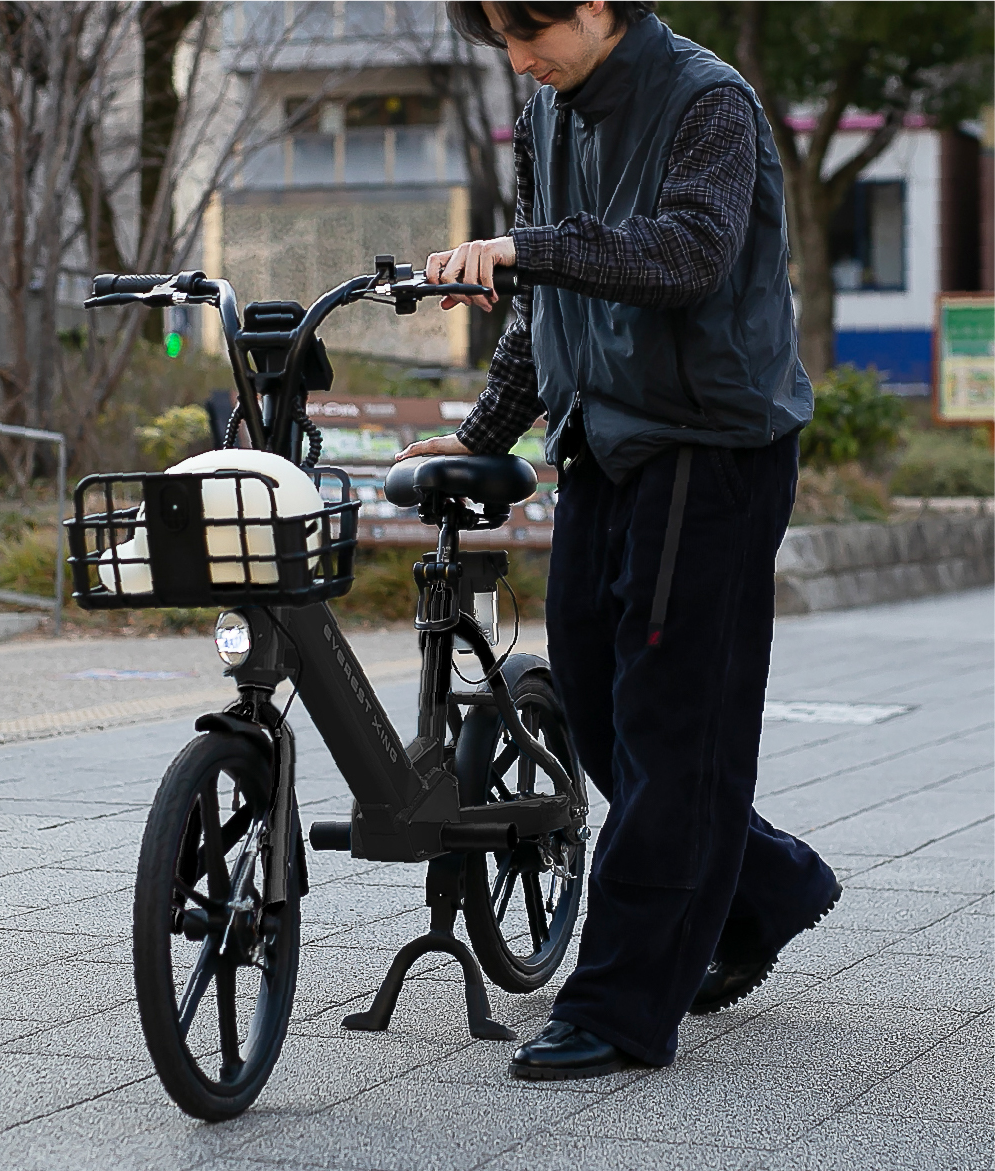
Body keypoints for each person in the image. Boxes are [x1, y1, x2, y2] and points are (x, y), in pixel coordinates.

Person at [395, 0, 841, 1081]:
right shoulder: (547, 114)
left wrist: (525, 247)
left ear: (595, 3)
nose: (517, 59)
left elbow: (689, 253)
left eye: (528, 33)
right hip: (600, 441)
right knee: (599, 713)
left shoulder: (708, 100)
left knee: (674, 727)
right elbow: (538, 305)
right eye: (501, 40)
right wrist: (482, 437)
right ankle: (767, 884)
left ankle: (621, 1006)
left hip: (709, 447)